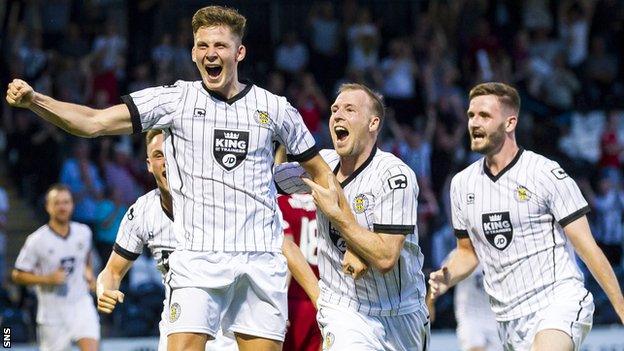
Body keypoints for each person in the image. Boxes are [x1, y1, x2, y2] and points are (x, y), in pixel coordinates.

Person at [6, 6, 345, 351]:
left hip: (260, 260)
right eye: (202, 46)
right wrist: (37, 100)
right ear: (193, 53)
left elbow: (323, 176)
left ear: (239, 52)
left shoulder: (276, 109)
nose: (210, 53)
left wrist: (351, 237)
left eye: (220, 45)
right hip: (199, 260)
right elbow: (93, 122)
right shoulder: (175, 99)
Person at [428, 82, 624, 351]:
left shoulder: (545, 173)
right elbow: (468, 252)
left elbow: (587, 247)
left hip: (557, 301)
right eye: (471, 115)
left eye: (484, 116)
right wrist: (445, 276)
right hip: (508, 321)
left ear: (510, 123)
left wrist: (621, 308)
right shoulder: (462, 185)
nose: (474, 123)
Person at [275, 83, 430, 350]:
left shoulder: (395, 176)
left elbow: (384, 258)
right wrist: (318, 295)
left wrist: (337, 216)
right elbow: (263, 180)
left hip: (401, 312)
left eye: (350, 109)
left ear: (373, 123)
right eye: (335, 109)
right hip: (344, 310)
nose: (337, 115)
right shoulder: (320, 166)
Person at [96, 129, 236, 351]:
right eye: (159, 155)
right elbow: (112, 271)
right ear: (149, 164)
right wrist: (105, 289)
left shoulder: (221, 203)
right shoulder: (142, 212)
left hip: (226, 329)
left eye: (174, 152)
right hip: (176, 323)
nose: (167, 161)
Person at [12, 184, 99, 351]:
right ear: (48, 207)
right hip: (52, 312)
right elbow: (17, 275)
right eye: (57, 203)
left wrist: (89, 275)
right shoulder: (36, 240)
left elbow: (85, 259)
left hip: (81, 304)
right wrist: (47, 279)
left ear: (72, 205)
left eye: (66, 202)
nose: (62, 207)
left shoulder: (84, 232)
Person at [427, 256, 501, 351]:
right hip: (469, 317)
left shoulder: (497, 254)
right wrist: (429, 304)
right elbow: (440, 280)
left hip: (495, 317)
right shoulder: (459, 254)